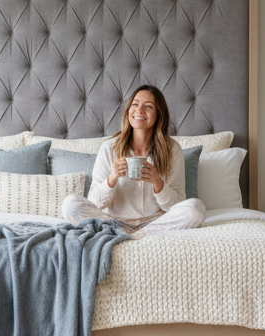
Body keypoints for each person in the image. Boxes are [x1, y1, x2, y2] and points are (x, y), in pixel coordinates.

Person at [62, 84, 206, 239]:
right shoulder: (109, 148)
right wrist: (112, 178)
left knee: (196, 208)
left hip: (155, 222)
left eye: (148, 106)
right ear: (128, 110)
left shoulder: (172, 149)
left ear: (159, 114)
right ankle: (130, 234)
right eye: (135, 104)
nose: (139, 110)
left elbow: (178, 204)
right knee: (70, 203)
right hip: (113, 222)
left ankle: (133, 235)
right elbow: (94, 202)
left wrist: (158, 183)